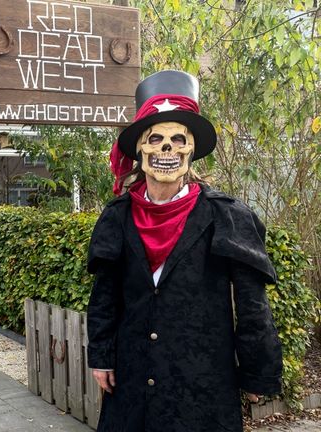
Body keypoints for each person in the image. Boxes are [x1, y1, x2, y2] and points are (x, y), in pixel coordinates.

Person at [86, 70, 282, 432]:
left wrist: (258, 371)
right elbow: (104, 294)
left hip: (203, 382)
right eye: (155, 139)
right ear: (141, 149)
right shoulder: (117, 217)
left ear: (191, 149)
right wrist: (101, 356)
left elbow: (253, 305)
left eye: (178, 140)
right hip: (133, 378)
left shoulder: (226, 215)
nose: (167, 149)